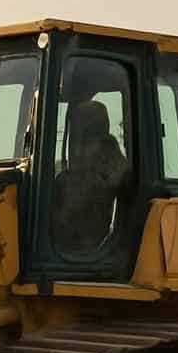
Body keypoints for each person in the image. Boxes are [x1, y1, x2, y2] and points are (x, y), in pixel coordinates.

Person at [52, 99, 128, 256]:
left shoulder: (104, 172)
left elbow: (69, 212)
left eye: (81, 137)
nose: (77, 150)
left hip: (87, 251)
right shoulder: (117, 166)